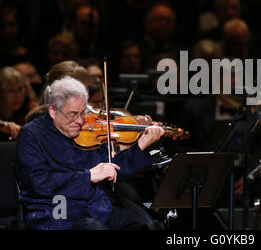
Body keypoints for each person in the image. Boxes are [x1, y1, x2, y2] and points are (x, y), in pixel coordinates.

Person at [15, 76, 165, 230]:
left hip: (95, 207)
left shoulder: (88, 132)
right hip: (55, 209)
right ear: (53, 110)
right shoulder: (31, 134)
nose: (80, 121)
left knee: (142, 224)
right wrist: (88, 176)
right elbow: (38, 181)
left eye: (83, 113)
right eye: (73, 115)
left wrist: (140, 145)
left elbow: (114, 171)